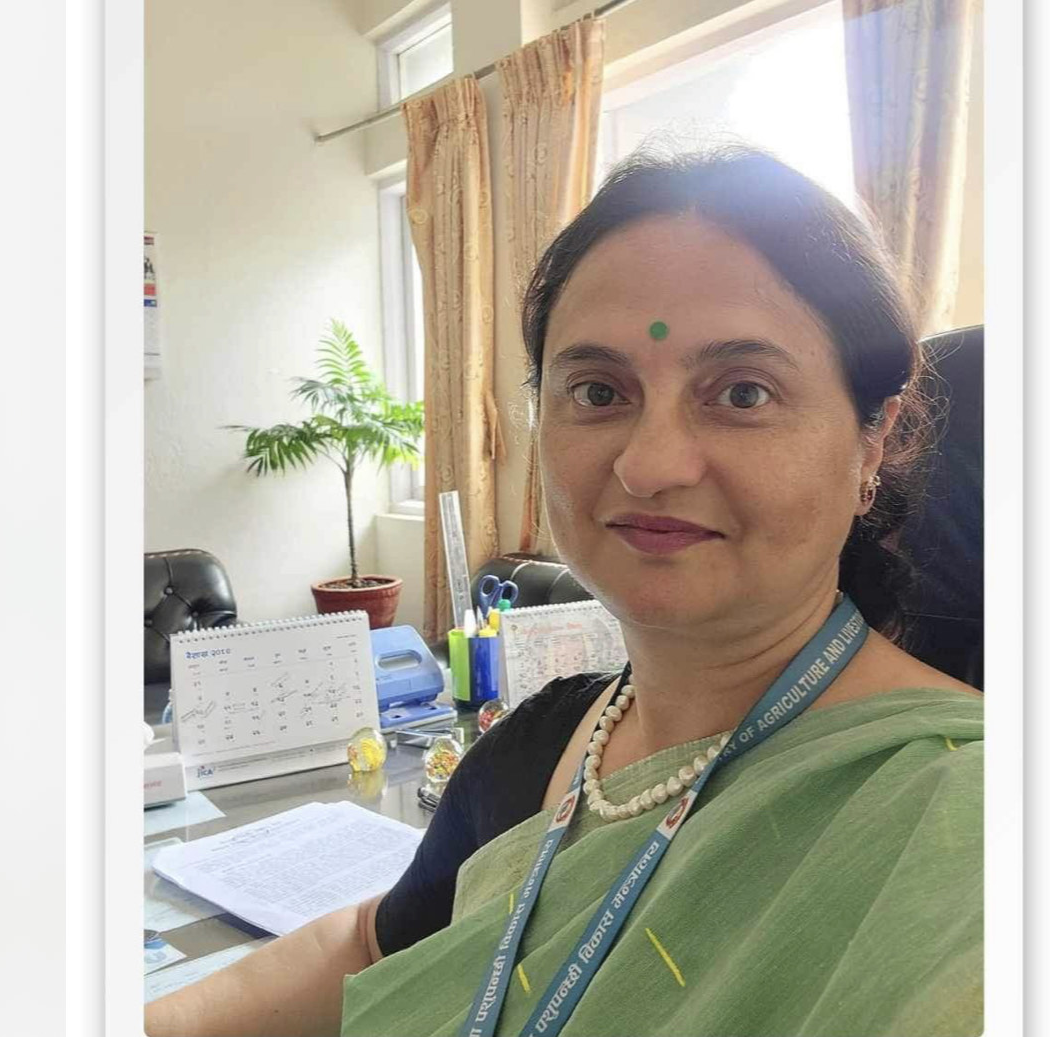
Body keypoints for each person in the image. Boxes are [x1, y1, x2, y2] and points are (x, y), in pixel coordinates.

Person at [146, 146, 982, 1037]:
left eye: (743, 392)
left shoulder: (976, 829)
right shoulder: (539, 745)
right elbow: (369, 942)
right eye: (598, 390)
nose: (650, 465)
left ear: (875, 438)